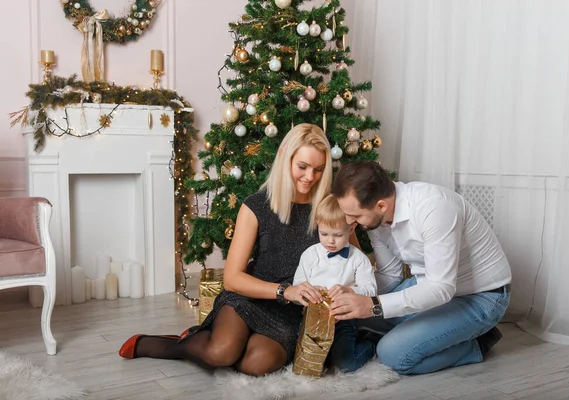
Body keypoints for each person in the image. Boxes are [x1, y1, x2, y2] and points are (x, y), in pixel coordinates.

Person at [118, 123, 333, 376]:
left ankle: (214, 338)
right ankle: (174, 344)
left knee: (256, 364)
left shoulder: (329, 209)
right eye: (303, 167)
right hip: (250, 296)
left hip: (292, 311)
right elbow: (232, 279)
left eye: (319, 170)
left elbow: (353, 259)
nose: (310, 177)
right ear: (286, 156)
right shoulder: (257, 205)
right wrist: (286, 291)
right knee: (221, 352)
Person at [329, 160, 512, 375]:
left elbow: (441, 288)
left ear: (381, 205)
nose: (349, 222)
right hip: (427, 286)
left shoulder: (434, 208)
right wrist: (357, 293)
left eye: (356, 215)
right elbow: (390, 275)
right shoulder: (375, 220)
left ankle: (476, 342)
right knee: (354, 320)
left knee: (392, 354)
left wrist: (372, 306)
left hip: (481, 297)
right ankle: (425, 334)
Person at [292, 194, 377, 372]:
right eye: (324, 234)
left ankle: (372, 340)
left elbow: (371, 290)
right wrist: (308, 291)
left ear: (352, 228)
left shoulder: (358, 259)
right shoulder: (309, 255)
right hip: (311, 319)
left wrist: (350, 290)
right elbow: (298, 286)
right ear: (317, 225)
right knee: (307, 361)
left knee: (346, 364)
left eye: (338, 235)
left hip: (344, 320)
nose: (330, 241)